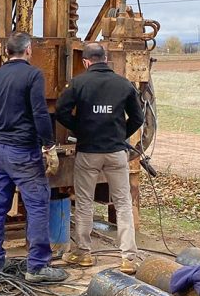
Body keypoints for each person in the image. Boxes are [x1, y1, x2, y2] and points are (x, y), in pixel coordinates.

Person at [0, 31, 66, 283]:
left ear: (6, 52)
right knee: (37, 205)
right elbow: (40, 113)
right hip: (24, 152)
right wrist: (49, 145)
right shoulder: (33, 75)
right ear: (28, 51)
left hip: (0, 152)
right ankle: (37, 267)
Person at [55, 42, 144, 274]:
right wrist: (120, 135)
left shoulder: (78, 83)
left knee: (84, 203)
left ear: (86, 62)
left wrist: (80, 130)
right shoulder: (123, 84)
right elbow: (138, 118)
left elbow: (61, 112)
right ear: (105, 59)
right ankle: (128, 258)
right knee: (123, 203)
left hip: (88, 152)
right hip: (116, 153)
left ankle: (84, 253)